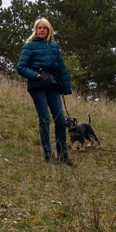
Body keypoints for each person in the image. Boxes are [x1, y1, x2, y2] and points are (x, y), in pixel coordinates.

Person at [16, 17, 73, 163]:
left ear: (49, 30)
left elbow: (61, 67)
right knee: (45, 119)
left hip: (53, 85)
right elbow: (20, 67)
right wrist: (36, 75)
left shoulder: (54, 46)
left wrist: (66, 88)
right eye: (39, 28)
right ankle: (48, 155)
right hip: (37, 85)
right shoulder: (29, 46)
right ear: (35, 30)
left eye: (44, 28)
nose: (41, 30)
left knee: (60, 119)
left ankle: (63, 155)